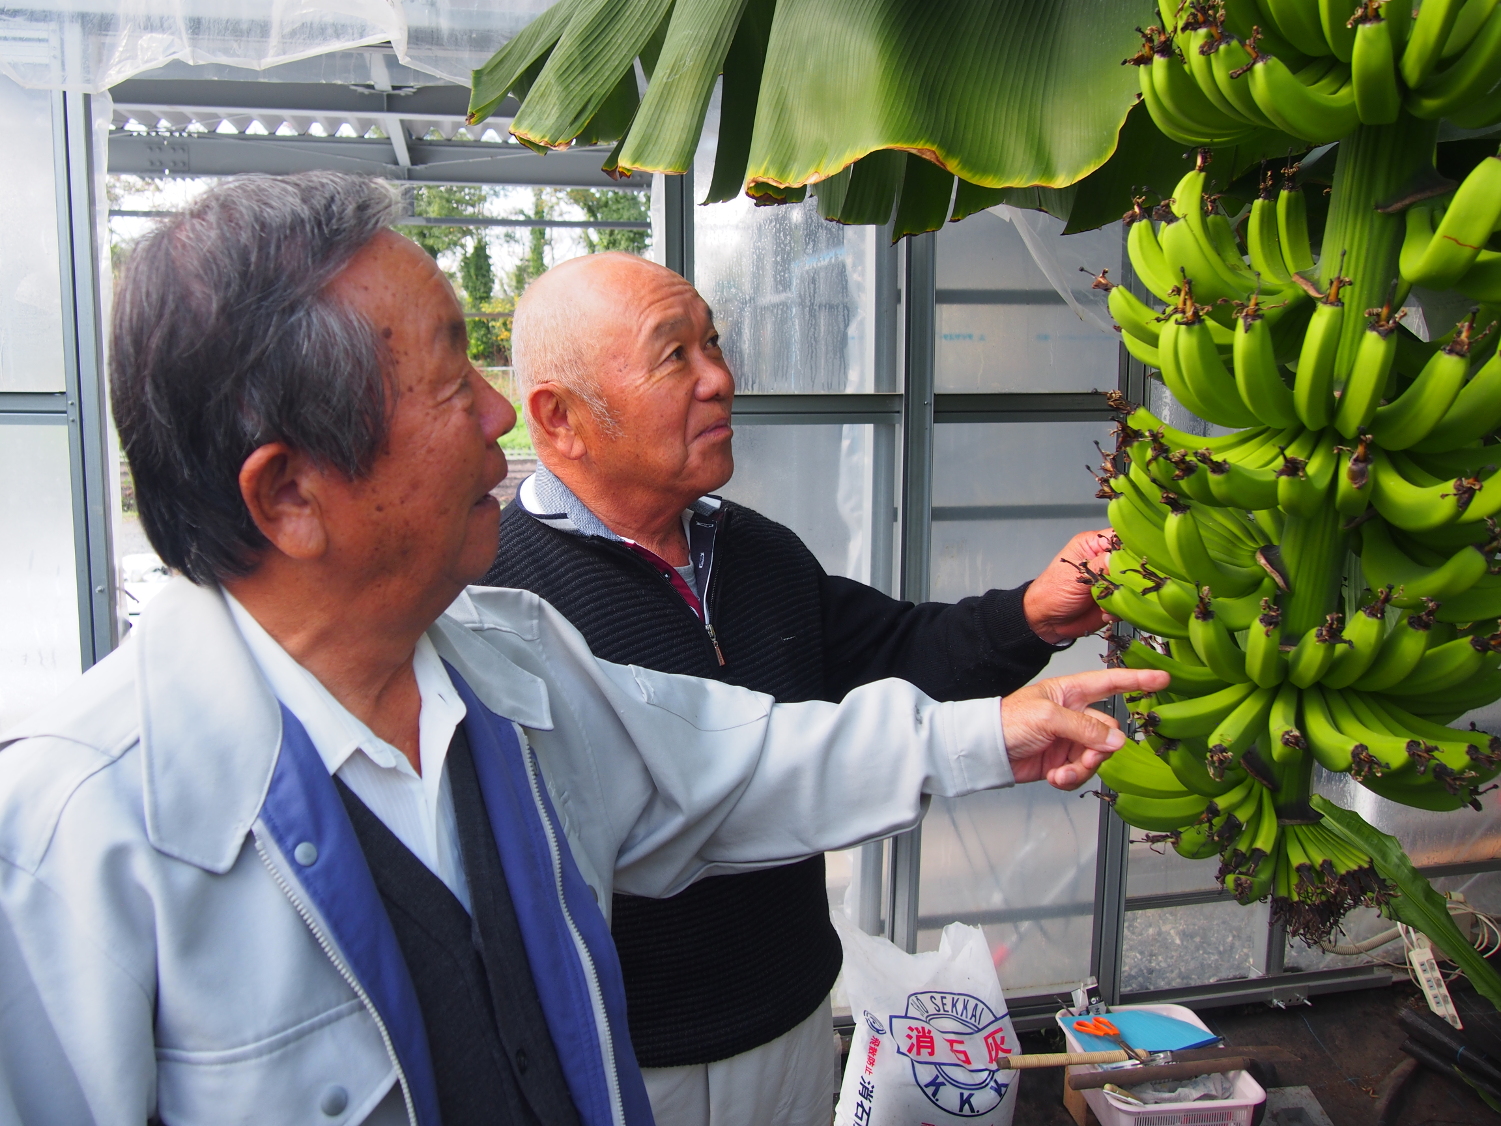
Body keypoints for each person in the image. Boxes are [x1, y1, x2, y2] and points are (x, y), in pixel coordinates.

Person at [0, 173, 1161, 1126]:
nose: (498, 417)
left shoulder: (513, 667)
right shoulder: (74, 838)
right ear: (292, 492)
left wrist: (994, 727)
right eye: (455, 379)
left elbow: (736, 763)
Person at [484, 251, 1116, 1126]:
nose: (720, 377)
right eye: (675, 356)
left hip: (788, 1024)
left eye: (714, 341)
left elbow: (897, 650)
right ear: (559, 417)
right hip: (620, 1060)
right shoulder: (500, 603)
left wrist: (1033, 616)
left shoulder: (754, 551)